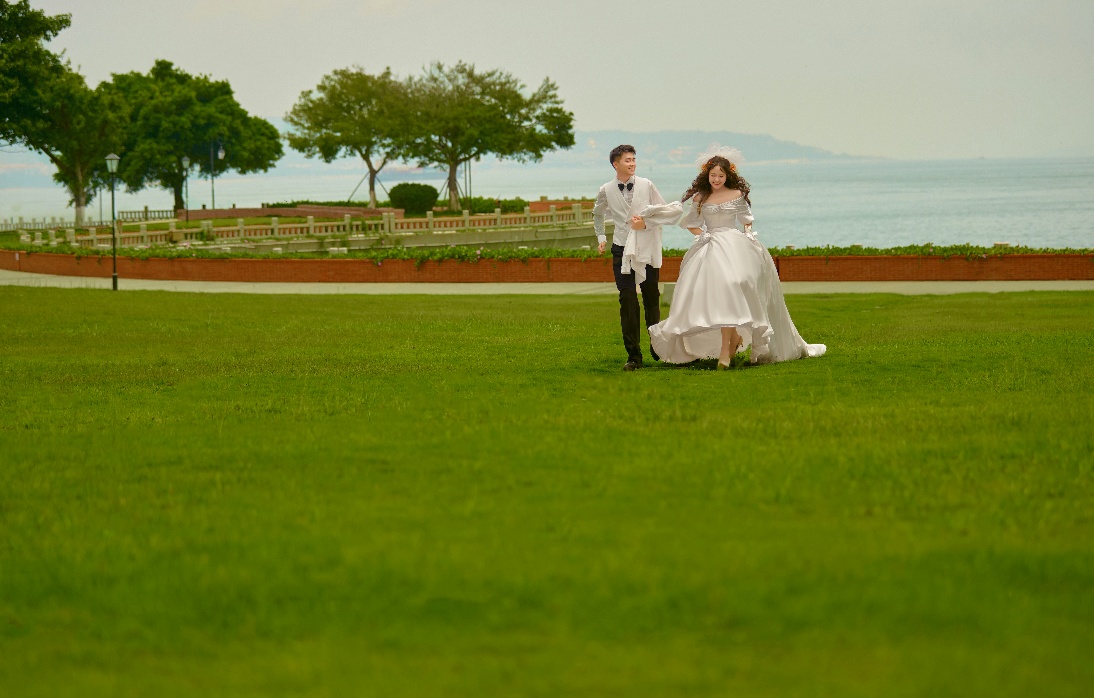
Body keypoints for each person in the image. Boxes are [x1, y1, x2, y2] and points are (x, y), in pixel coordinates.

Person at [633, 145, 826, 369]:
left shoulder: (736, 195)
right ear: (707, 175)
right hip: (710, 245)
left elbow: (746, 220)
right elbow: (691, 224)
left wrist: (748, 235)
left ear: (728, 176)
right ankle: (729, 343)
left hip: (734, 245)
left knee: (734, 284)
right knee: (716, 292)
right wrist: (703, 236)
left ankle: (729, 345)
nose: (716, 179)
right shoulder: (700, 197)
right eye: (713, 175)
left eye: (720, 175)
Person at [592, 145, 668, 371]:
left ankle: (657, 346)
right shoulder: (606, 189)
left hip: (645, 248)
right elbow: (597, 214)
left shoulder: (647, 185)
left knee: (651, 297)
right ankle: (634, 356)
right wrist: (601, 237)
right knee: (627, 300)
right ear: (615, 164)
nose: (632, 163)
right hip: (621, 248)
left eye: (634, 159)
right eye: (627, 160)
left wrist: (645, 223)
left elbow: (663, 211)